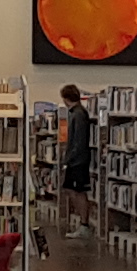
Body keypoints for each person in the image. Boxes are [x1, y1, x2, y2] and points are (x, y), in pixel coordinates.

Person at [55, 82, 96, 239]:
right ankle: (83, 223)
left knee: (78, 191)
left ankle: (84, 224)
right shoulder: (77, 112)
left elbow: (78, 140)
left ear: (66, 98)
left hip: (77, 161)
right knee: (72, 190)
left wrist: (68, 159)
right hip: (77, 159)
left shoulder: (78, 114)